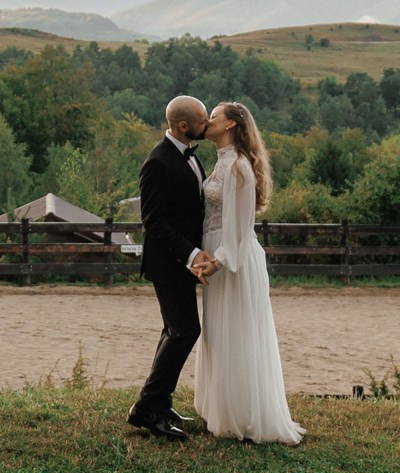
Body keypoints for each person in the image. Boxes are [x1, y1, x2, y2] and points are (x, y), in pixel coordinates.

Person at [195, 101, 305, 445]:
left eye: (213, 116)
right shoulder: (220, 164)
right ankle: (225, 410)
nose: (207, 121)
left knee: (237, 333)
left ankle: (244, 416)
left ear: (230, 124)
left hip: (236, 260)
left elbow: (241, 227)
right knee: (219, 332)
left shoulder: (240, 167)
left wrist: (219, 259)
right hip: (216, 253)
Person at [127, 95, 214, 441]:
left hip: (183, 263)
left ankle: (159, 403)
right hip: (168, 264)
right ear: (183, 126)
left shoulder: (190, 157)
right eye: (202, 120)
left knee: (173, 332)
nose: (206, 125)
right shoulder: (158, 162)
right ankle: (147, 408)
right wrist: (191, 255)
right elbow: (154, 222)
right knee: (184, 332)